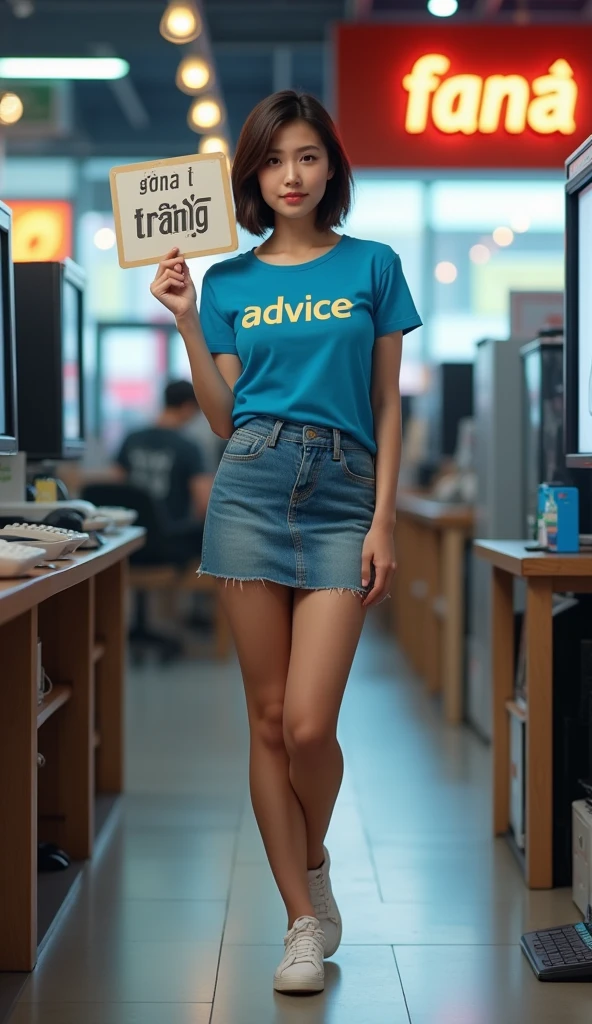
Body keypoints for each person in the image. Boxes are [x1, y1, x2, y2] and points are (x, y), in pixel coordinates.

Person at [150, 90, 422, 995]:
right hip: (251, 487)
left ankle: (310, 858)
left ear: (331, 167)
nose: (291, 176)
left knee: (310, 725)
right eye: (273, 161)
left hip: (346, 494)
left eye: (307, 157)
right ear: (253, 177)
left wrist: (385, 519)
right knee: (266, 722)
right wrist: (189, 320)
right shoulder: (227, 282)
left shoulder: (374, 266)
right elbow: (226, 419)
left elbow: (389, 406)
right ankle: (302, 920)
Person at [114, 379, 213, 531]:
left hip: (132, 533)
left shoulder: (132, 438)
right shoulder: (189, 448)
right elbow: (204, 505)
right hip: (171, 538)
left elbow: (114, 484)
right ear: (187, 407)